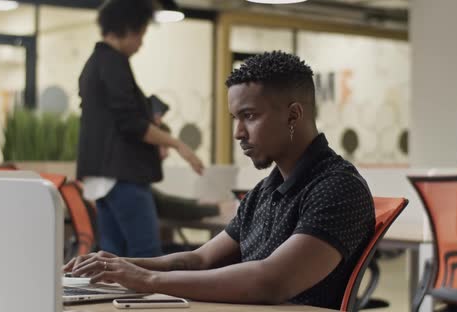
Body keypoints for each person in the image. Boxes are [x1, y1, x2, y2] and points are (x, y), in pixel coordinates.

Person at [65, 51, 375, 309]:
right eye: (235, 119)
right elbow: (199, 260)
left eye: (249, 116)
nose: (238, 132)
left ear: (293, 116)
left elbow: (272, 281)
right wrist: (118, 266)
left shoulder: (338, 187)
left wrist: (147, 280)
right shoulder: (263, 192)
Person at [76, 0, 204, 258]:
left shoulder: (93, 64)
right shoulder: (114, 63)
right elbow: (131, 123)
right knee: (146, 256)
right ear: (128, 28)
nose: (140, 43)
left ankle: (118, 301)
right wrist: (178, 144)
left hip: (101, 177)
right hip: (123, 174)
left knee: (113, 257)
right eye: (140, 35)